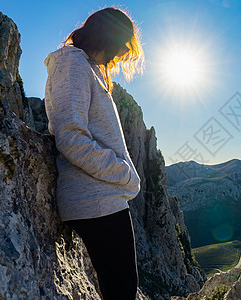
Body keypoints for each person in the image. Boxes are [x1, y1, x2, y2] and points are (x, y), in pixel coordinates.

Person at [44, 7, 145, 299]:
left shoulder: (85, 67)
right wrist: (125, 174)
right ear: (109, 38)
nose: (118, 56)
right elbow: (70, 137)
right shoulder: (72, 64)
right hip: (95, 200)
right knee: (121, 290)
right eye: (122, 46)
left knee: (123, 288)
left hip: (104, 198)